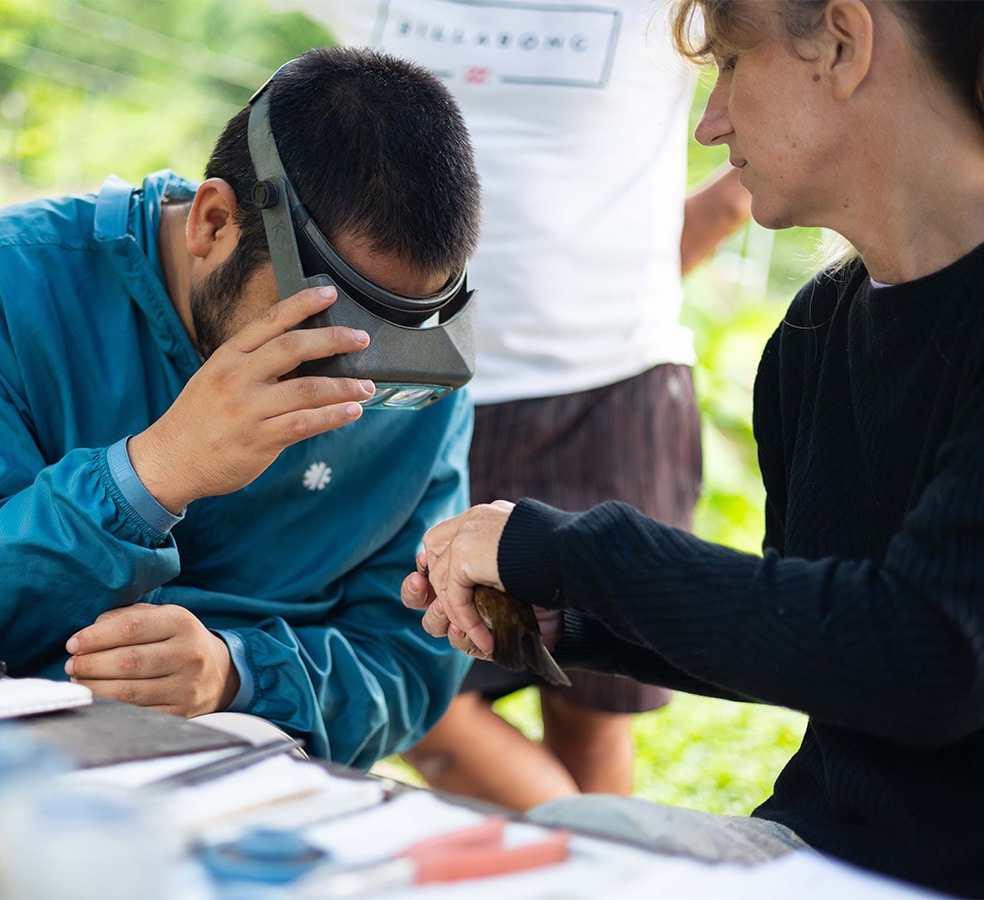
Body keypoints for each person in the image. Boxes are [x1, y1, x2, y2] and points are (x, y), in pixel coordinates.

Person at [402, 0, 984, 895]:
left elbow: (930, 659)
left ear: (843, 42)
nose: (711, 123)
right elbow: (829, 647)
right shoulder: (816, 334)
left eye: (732, 65)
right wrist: (577, 615)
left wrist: (580, 551)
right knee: (549, 852)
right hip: (824, 845)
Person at [0, 46, 482, 770]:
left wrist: (236, 674)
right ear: (212, 222)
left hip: (260, 812)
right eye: (317, 323)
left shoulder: (414, 376)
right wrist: (151, 474)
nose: (350, 366)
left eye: (383, 340)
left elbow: (411, 661)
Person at [275, 0, 751, 808]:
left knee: (589, 696)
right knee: (415, 680)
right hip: (406, 395)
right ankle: (596, 862)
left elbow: (772, 109)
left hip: (608, 381)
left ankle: (596, 871)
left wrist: (620, 283)